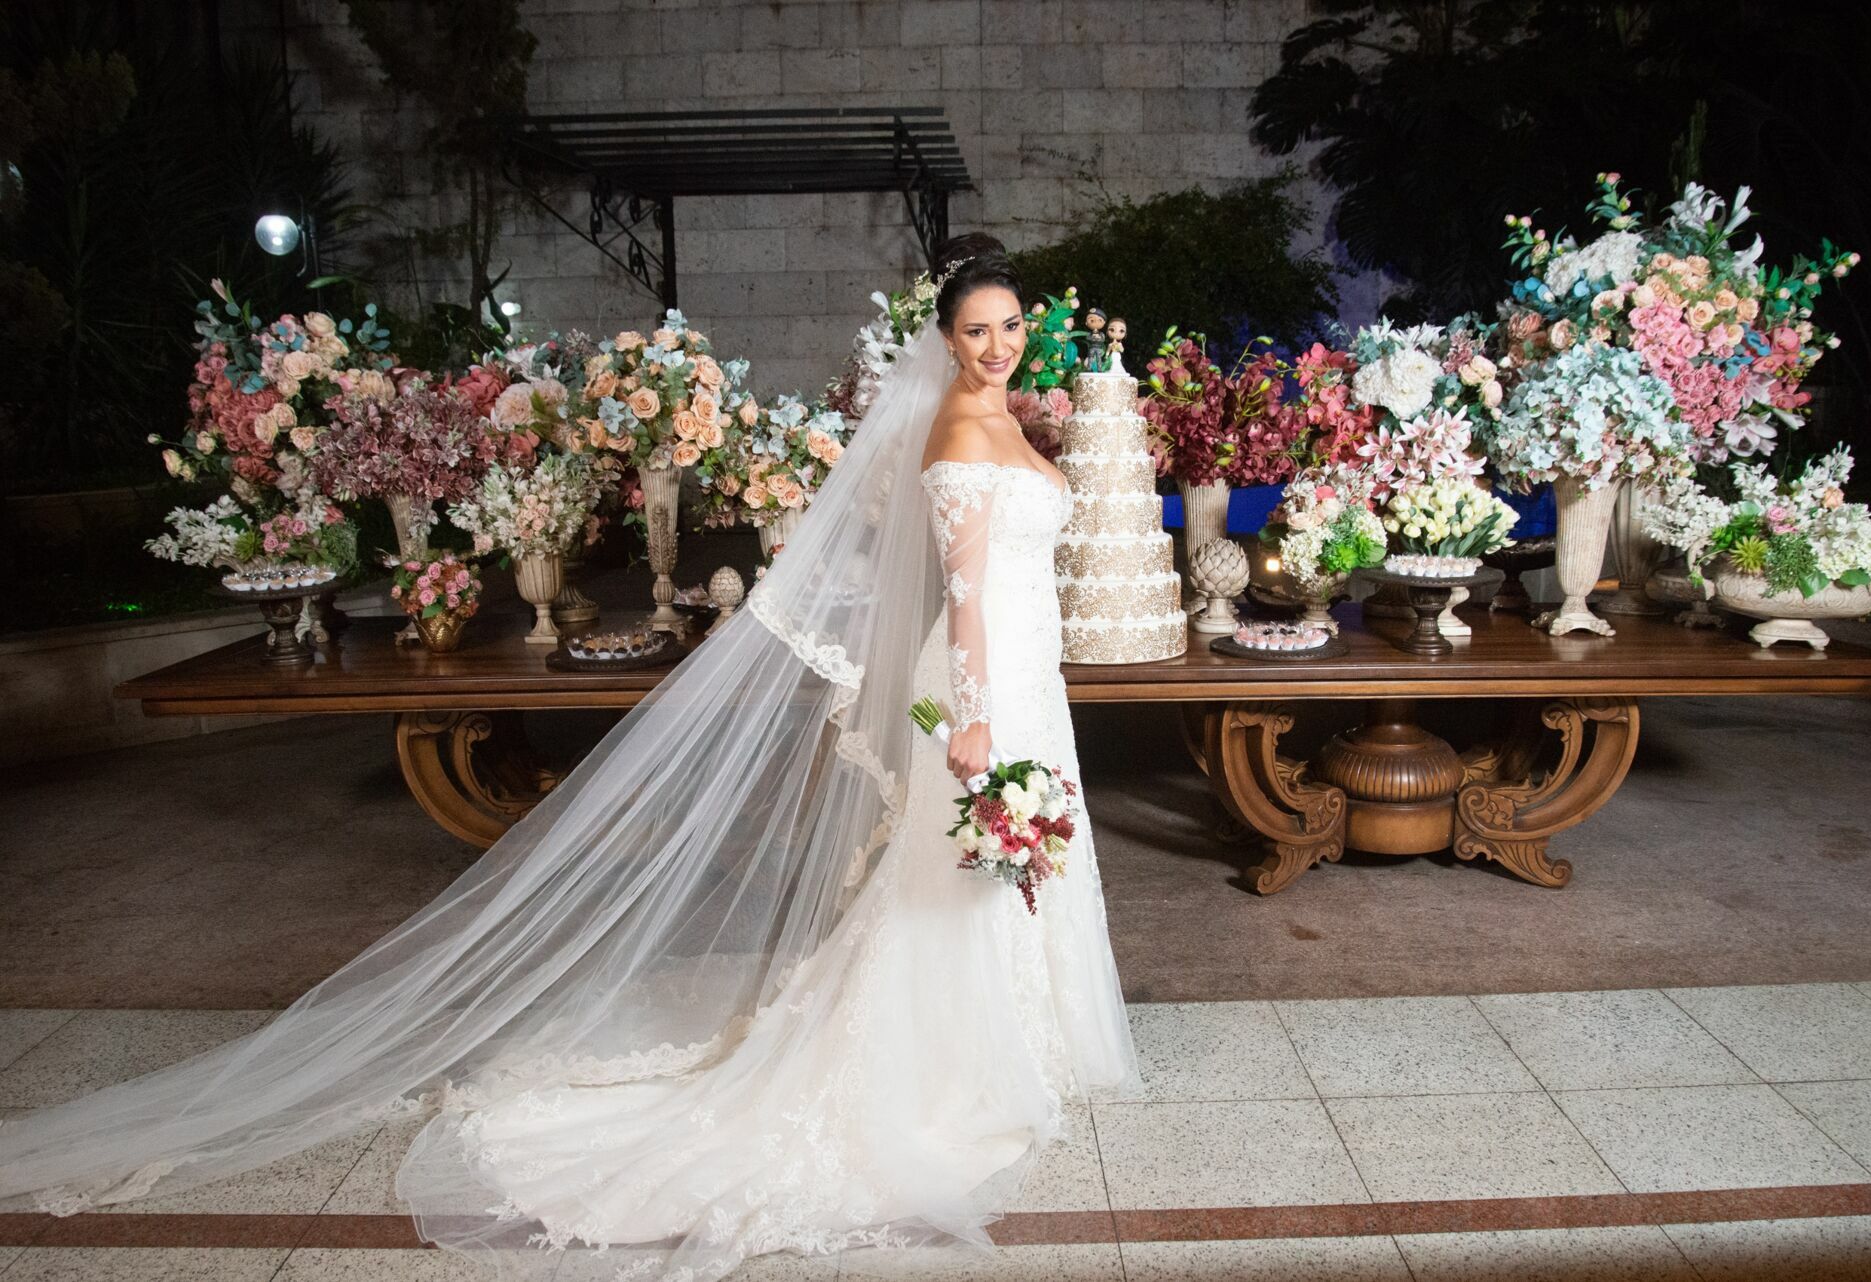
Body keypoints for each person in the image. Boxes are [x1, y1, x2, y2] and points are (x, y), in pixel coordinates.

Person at [0, 234, 1139, 1280]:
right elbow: (965, 594)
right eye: (977, 330)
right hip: (988, 681)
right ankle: (961, 1052)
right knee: (962, 865)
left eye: (1010, 325)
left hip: (1026, 672)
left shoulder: (1006, 418)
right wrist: (974, 719)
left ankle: (1031, 1031)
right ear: (947, 338)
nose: (998, 345)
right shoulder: (958, 433)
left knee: (1011, 857)